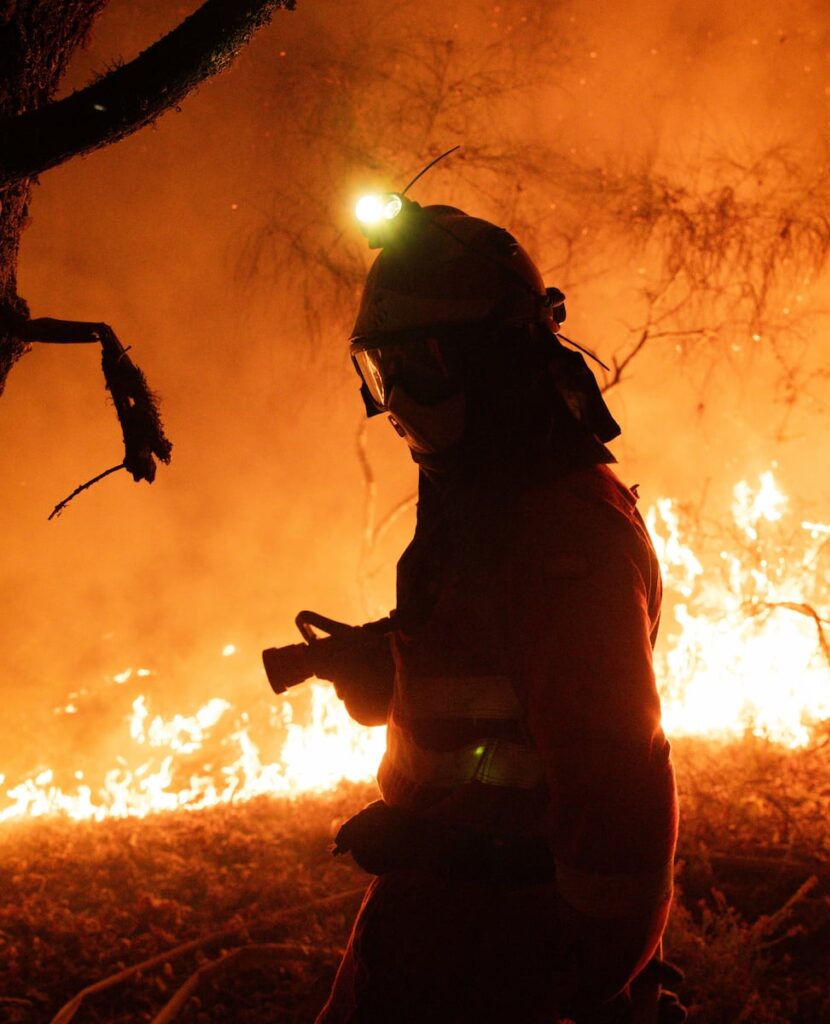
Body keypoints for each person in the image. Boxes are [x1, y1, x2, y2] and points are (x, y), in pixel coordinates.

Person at [312, 200, 680, 1024]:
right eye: (383, 369)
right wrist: (393, 665)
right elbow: (492, 677)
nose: (400, 397)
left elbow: (615, 796)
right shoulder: (480, 493)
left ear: (500, 361)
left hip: (516, 964)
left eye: (424, 364)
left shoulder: (562, 539)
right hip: (429, 939)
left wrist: (575, 984)